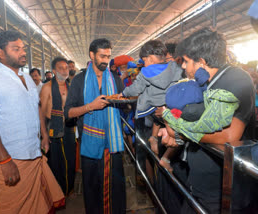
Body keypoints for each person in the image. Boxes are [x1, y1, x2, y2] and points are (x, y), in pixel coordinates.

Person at [158, 28, 256, 213]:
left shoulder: (235, 79)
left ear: (201, 62)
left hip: (224, 191)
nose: (184, 67)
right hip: (200, 181)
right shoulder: (203, 83)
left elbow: (228, 135)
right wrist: (174, 129)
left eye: (186, 62)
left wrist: (178, 131)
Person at [0, 30, 64, 213]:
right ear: (0, 52)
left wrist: (44, 136)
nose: (23, 52)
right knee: (12, 208)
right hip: (10, 157)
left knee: (38, 205)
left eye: (23, 48)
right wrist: (5, 161)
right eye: (16, 49)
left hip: (33, 153)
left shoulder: (27, 78)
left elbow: (36, 107)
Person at [64, 38, 126, 214]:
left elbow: (125, 105)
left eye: (108, 56)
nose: (106, 60)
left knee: (116, 188)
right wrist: (90, 106)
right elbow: (68, 113)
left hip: (112, 145)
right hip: (89, 144)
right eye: (102, 56)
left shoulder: (115, 79)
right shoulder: (79, 80)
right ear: (92, 55)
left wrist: (128, 101)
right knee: (92, 188)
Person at [40, 57, 76, 196]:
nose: (64, 70)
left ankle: (68, 188)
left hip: (69, 128)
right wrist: (44, 135)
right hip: (54, 129)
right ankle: (58, 191)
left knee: (71, 159)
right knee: (57, 162)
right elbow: (41, 114)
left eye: (66, 67)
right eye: (60, 68)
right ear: (54, 71)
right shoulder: (47, 87)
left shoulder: (70, 86)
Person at [120, 40, 182, 119]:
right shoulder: (174, 67)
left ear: (151, 58)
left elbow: (135, 89)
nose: (145, 64)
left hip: (152, 108)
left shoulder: (146, 72)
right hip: (171, 106)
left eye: (145, 60)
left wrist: (124, 93)